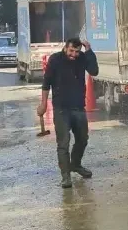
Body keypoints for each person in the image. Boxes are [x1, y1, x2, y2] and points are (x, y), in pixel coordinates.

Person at [38, 37, 99, 188]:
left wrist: (89, 51)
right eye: (71, 51)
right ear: (65, 48)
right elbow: (46, 83)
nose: (74, 54)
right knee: (63, 143)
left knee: (82, 139)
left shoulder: (82, 58)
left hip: (78, 107)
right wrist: (43, 103)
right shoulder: (55, 60)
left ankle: (76, 165)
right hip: (61, 109)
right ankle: (65, 176)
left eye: (77, 51)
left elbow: (94, 71)